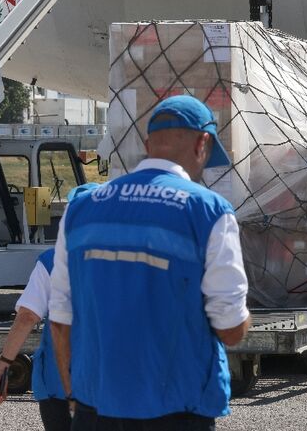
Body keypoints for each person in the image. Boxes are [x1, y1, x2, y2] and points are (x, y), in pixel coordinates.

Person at [49, 95, 251, 431]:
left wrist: (75, 394)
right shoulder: (209, 212)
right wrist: (247, 321)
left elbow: (59, 318)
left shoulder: (80, 209)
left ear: (148, 143)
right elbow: (230, 330)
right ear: (203, 144)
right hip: (177, 409)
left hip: (95, 408)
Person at [0, 183, 100, 431]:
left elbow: (27, 316)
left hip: (59, 382)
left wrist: (3, 366)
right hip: (107, 380)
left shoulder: (51, 262)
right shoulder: (124, 260)